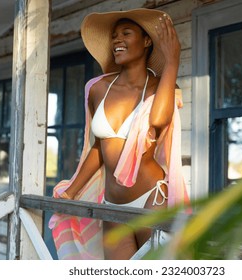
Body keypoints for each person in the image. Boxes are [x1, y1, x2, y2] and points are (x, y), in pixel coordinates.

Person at [49, 8, 189, 260]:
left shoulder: (163, 86)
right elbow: (98, 147)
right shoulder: (96, 88)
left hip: (152, 199)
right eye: (114, 36)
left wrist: (172, 61)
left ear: (147, 41)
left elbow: (157, 121)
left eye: (126, 33)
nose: (116, 40)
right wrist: (72, 190)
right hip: (112, 203)